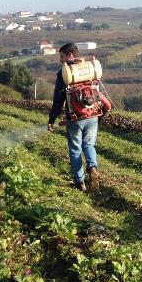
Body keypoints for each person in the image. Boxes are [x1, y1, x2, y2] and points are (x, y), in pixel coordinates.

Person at [47, 43, 99, 192]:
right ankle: (92, 167)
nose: (60, 60)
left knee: (75, 149)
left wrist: (52, 119)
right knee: (89, 145)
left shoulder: (65, 72)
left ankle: (79, 182)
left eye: (62, 56)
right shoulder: (90, 67)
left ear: (70, 55)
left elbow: (58, 100)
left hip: (75, 117)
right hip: (92, 114)